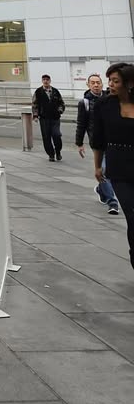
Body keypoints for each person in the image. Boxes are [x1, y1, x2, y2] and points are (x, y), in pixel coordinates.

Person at [91, 63, 134, 269]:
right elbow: (98, 139)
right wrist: (98, 166)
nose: (111, 85)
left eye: (116, 81)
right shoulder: (104, 105)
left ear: (130, 83)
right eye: (110, 81)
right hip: (119, 168)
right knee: (132, 215)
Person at [75, 74, 118, 215]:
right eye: (92, 83)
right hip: (97, 142)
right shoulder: (84, 103)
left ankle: (101, 189)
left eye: (98, 82)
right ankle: (112, 202)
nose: (96, 85)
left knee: (110, 170)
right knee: (103, 170)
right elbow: (81, 124)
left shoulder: (111, 98)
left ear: (102, 84)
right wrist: (79, 143)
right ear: (88, 85)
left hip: (113, 141)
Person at [32, 74, 65, 162]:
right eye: (44, 79)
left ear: (50, 81)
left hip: (55, 118)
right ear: (42, 81)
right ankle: (51, 154)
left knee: (56, 135)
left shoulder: (55, 91)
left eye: (47, 79)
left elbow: (61, 103)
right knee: (46, 137)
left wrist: (60, 110)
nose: (45, 81)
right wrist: (35, 115)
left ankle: (58, 151)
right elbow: (35, 104)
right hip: (44, 118)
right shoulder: (38, 92)